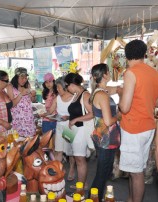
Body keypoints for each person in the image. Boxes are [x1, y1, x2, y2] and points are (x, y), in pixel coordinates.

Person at [118, 39, 158, 202]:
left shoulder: (130, 73)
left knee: (136, 173)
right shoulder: (153, 72)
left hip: (133, 127)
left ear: (126, 55)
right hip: (148, 126)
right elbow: (155, 102)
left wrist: (120, 94)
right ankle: (130, 198)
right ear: (144, 54)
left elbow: (125, 107)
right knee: (136, 168)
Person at [89, 63, 121, 201]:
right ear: (105, 75)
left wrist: (121, 89)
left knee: (104, 173)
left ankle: (96, 198)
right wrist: (119, 115)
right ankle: (93, 199)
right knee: (102, 175)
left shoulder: (101, 90)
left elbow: (117, 89)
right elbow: (108, 121)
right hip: (105, 139)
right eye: (109, 71)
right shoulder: (102, 94)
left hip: (104, 138)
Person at [42, 76, 75, 180]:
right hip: (60, 126)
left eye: (59, 87)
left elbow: (77, 114)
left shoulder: (73, 98)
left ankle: (71, 170)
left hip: (69, 127)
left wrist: (69, 117)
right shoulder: (57, 98)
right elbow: (51, 111)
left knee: (70, 151)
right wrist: (44, 114)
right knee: (58, 149)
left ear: (65, 86)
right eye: (57, 88)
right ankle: (57, 170)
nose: (57, 90)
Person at [65, 72, 93, 188]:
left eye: (67, 86)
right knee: (77, 158)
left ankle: (80, 186)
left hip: (81, 131)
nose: (67, 89)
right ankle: (82, 183)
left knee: (80, 159)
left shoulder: (85, 95)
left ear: (71, 84)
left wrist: (76, 119)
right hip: (73, 130)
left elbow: (93, 113)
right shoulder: (76, 94)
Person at [7, 67, 35, 137]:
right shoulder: (10, 86)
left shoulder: (27, 85)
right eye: (22, 78)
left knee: (29, 141)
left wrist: (33, 96)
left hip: (28, 118)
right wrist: (21, 94)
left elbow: (32, 101)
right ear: (16, 77)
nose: (24, 80)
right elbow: (12, 104)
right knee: (17, 140)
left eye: (26, 78)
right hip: (17, 119)